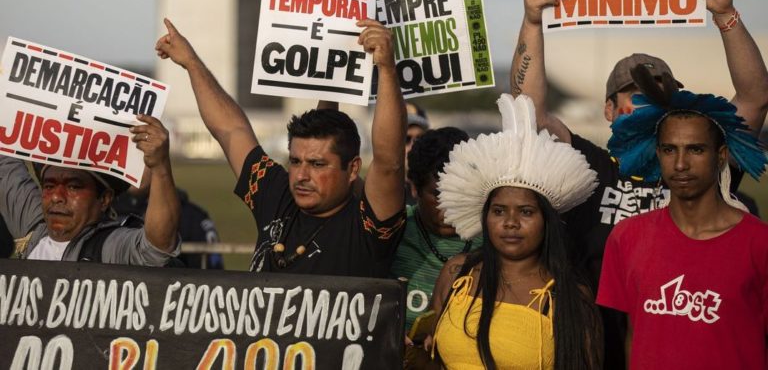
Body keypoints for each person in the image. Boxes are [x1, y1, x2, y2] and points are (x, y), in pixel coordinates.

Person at [510, 0, 768, 367]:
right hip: (597, 351)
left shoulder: (700, 167)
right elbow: (530, 113)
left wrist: (724, 15)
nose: (646, 103)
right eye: (633, 94)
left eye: (658, 94)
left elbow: (754, 98)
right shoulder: (590, 167)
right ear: (609, 109)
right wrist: (530, 21)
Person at [155, 18, 407, 277]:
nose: (301, 175)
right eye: (295, 161)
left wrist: (386, 69)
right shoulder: (278, 196)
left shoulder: (367, 226)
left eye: (317, 164)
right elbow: (230, 129)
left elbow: (390, 163)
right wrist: (191, 63)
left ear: (353, 169)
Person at [597, 66, 768, 369]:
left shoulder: (759, 243)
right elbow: (634, 337)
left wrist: (727, 18)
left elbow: (756, 95)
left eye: (696, 149)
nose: (680, 163)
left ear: (720, 155)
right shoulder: (626, 237)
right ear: (657, 154)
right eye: (669, 149)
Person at [429, 94, 602, 370]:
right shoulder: (456, 275)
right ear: (485, 217)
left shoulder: (568, 297)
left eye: (526, 212)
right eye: (498, 211)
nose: (510, 222)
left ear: (547, 220)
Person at [0, 115, 181, 265]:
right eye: (49, 186)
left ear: (104, 199)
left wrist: (160, 167)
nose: (56, 196)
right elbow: (5, 165)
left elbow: (157, 246)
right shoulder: (36, 230)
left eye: (73, 187)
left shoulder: (110, 246)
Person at [390, 127, 482, 369]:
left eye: (458, 193)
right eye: (437, 194)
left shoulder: (495, 242)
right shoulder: (391, 234)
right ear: (414, 189)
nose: (449, 205)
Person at [114, 180, 224, 269]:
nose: (133, 165)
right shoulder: (102, 209)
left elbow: (213, 281)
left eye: (141, 156)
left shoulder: (192, 217)